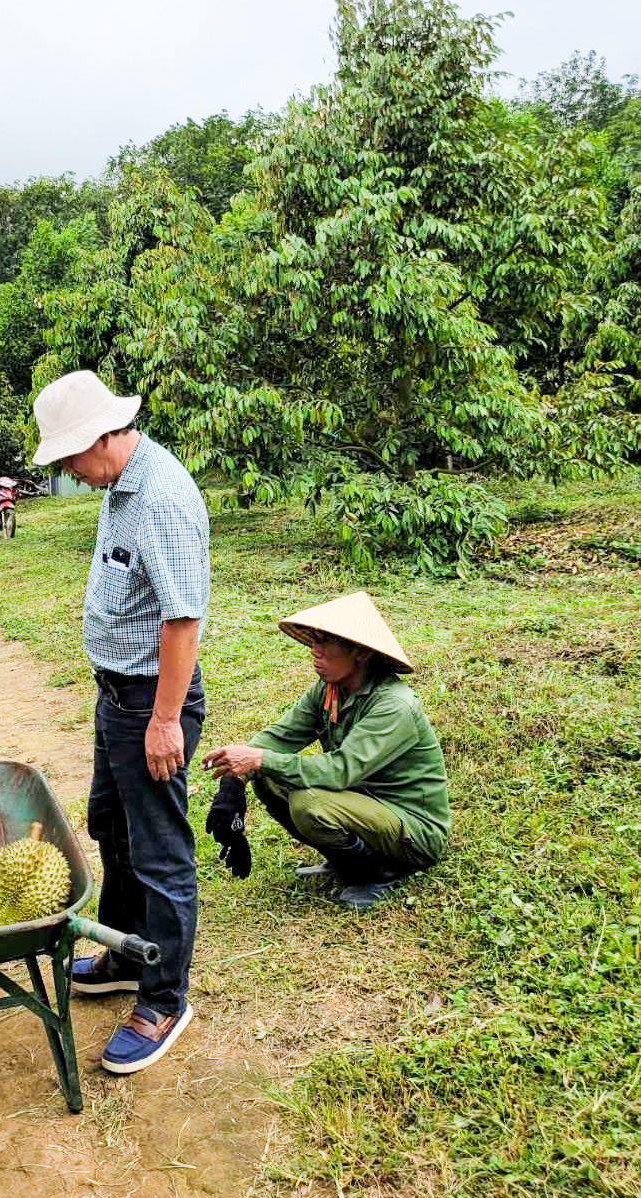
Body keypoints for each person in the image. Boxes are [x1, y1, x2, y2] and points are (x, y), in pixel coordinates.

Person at [30, 369, 209, 1074]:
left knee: (161, 850)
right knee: (111, 823)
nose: (68, 470)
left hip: (151, 704)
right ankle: (128, 948)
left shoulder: (160, 497)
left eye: (69, 455)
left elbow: (183, 618)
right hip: (117, 699)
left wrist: (164, 720)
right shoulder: (118, 486)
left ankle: (164, 997)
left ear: (102, 437)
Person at [202, 591, 451, 912]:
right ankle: (347, 862)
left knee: (310, 805)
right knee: (270, 778)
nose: (314, 651)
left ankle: (380, 874)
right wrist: (234, 784)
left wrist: (259, 758)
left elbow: (340, 770)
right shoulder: (329, 690)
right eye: (314, 640)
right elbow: (279, 737)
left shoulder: (393, 706)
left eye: (326, 642)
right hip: (361, 802)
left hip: (412, 830)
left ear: (360, 652)